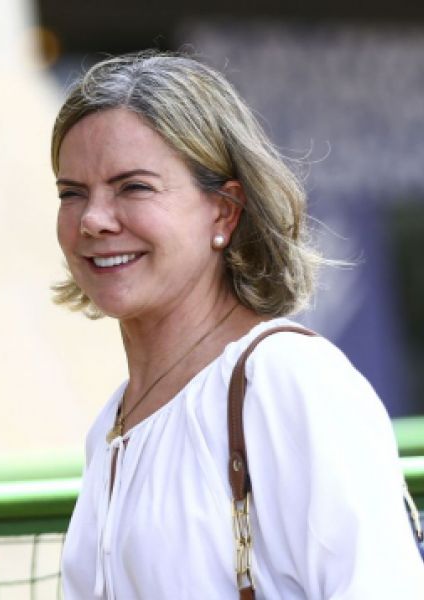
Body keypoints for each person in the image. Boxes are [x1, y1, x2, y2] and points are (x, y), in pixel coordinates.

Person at [52, 51, 424, 599]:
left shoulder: (288, 380)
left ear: (224, 210)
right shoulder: (113, 420)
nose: (93, 219)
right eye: (71, 193)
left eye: (134, 187)